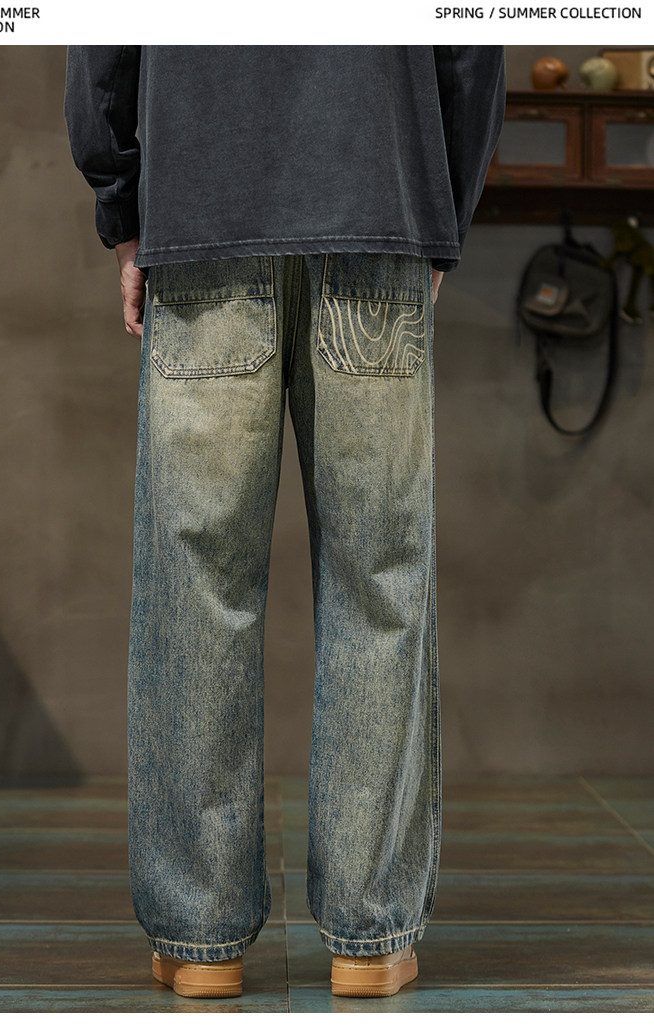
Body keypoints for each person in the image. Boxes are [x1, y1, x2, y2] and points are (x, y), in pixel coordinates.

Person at [65, 45, 506, 1000]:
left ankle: (200, 941)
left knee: (196, 583)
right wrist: (439, 217)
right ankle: (370, 938)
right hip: (378, 207)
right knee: (379, 580)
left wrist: (123, 212)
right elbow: (469, 48)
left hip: (204, 216)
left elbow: (101, 47)